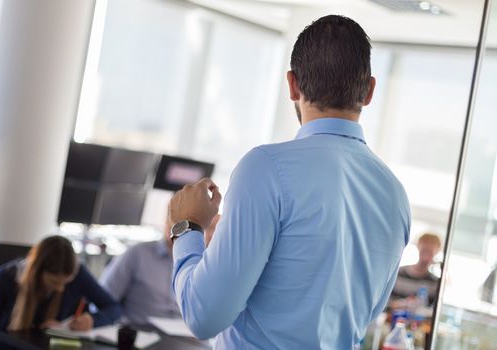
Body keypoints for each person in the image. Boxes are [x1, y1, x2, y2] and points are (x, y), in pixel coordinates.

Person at [168, 15, 411, 349]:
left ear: (293, 85)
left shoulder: (265, 168)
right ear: (369, 91)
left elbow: (202, 316)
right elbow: (363, 313)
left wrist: (187, 228)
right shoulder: (395, 195)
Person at [0, 235, 121, 349]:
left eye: (67, 282)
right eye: (54, 282)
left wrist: (92, 320)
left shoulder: (78, 273)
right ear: (36, 272)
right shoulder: (5, 278)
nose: (61, 288)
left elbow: (114, 308)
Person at [100, 216, 220, 325]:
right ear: (166, 220)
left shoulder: (202, 263)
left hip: (184, 337)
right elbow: (103, 301)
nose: (176, 227)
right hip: (140, 332)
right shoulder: (137, 254)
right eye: (174, 219)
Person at [390, 233, 442, 306]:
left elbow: (431, 311)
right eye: (424, 250)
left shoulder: (435, 283)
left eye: (430, 252)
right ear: (418, 247)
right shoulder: (397, 273)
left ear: (436, 252)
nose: (426, 256)